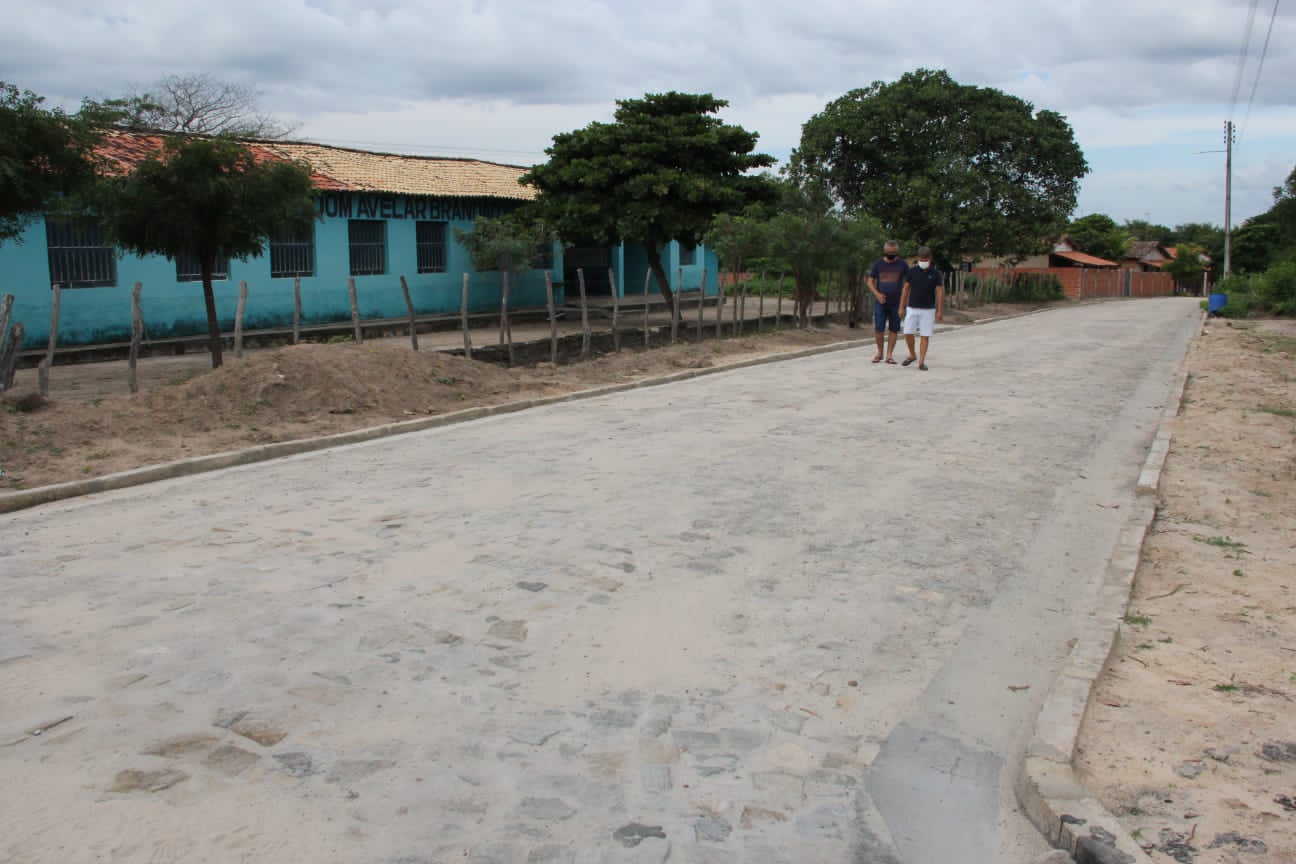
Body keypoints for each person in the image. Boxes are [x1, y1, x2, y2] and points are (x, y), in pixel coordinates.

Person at [899, 246, 944, 371]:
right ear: (918, 258)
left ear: (930, 258)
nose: (923, 261)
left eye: (925, 259)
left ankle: (921, 361)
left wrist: (940, 310)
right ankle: (912, 354)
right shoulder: (912, 271)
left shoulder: (935, 273)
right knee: (907, 332)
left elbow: (940, 292)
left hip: (928, 309)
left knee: (925, 335)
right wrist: (901, 307)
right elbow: (906, 289)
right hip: (912, 307)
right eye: (921, 258)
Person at [866, 240, 907, 363]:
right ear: (885, 251)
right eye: (889, 252)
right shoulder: (878, 264)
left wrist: (903, 303)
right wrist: (877, 294)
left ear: (897, 252)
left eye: (893, 252)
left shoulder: (902, 265)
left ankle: (889, 355)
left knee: (894, 329)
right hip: (881, 302)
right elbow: (870, 281)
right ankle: (879, 352)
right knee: (879, 328)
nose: (891, 254)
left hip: (896, 302)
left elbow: (909, 282)